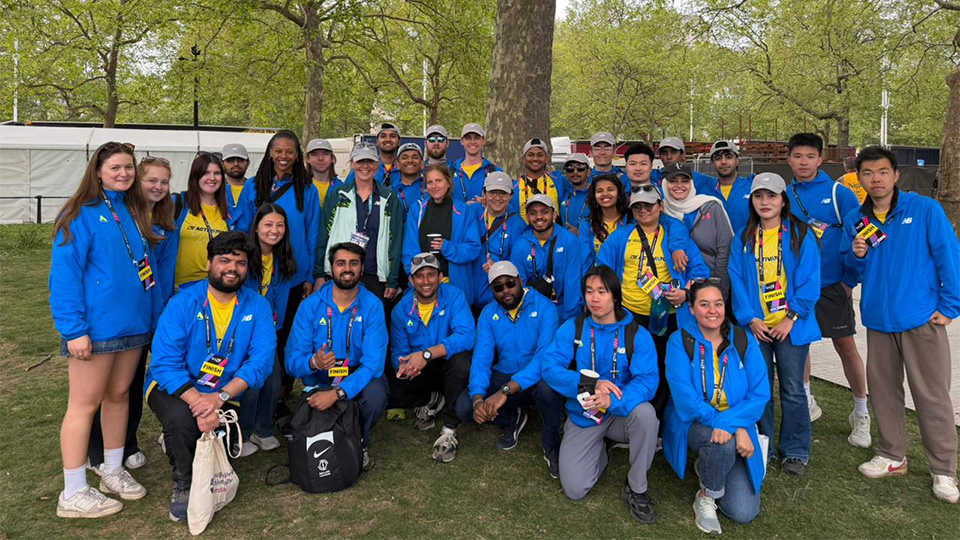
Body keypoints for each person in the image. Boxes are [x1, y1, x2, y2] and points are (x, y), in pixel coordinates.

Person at [841, 146, 959, 504]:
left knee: (931, 394)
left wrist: (950, 304)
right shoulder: (856, 219)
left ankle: (943, 470)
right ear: (858, 178)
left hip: (921, 318)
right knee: (883, 390)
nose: (875, 179)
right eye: (867, 173)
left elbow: (948, 254)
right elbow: (854, 272)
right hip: (878, 321)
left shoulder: (924, 209)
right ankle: (892, 455)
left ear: (895, 175)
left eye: (881, 172)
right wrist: (856, 255)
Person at [51, 141, 161, 519]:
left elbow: (144, 267)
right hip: (96, 331)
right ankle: (73, 490)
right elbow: (65, 277)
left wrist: (151, 315)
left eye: (128, 167)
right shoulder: (78, 213)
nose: (124, 173)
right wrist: (73, 329)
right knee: (83, 405)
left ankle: (112, 468)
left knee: (118, 396)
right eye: (115, 167)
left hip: (133, 325)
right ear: (97, 171)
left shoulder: (131, 211)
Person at [145, 231, 275, 521]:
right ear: (209, 263)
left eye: (240, 263)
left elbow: (261, 362)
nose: (232, 268)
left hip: (223, 390)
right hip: (172, 385)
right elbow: (165, 363)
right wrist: (199, 403)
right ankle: (184, 484)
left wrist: (219, 397)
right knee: (182, 421)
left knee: (212, 436)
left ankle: (180, 439)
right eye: (224, 261)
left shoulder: (258, 306)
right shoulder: (183, 302)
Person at [540, 266, 660, 524]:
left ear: (615, 296)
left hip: (621, 414)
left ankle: (637, 487)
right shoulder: (574, 327)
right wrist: (588, 383)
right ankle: (601, 449)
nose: (594, 299)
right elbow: (549, 367)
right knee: (574, 489)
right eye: (589, 291)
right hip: (585, 414)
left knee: (647, 415)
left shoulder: (637, 334)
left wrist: (613, 399)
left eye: (602, 292)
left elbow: (648, 381)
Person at [86, 155, 176, 475]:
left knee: (132, 382)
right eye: (151, 180)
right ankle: (97, 450)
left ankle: (127, 441)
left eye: (164, 182)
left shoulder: (167, 215)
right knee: (107, 385)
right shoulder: (123, 213)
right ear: (138, 180)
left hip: (154, 307)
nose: (158, 186)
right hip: (118, 312)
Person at [728, 172, 821, 476]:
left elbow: (809, 280)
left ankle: (795, 450)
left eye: (771, 196)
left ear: (784, 200)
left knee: (793, 389)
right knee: (759, 388)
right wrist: (749, 319)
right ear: (751, 200)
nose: (765, 202)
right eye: (759, 196)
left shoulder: (799, 234)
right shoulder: (743, 237)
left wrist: (791, 317)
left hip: (791, 326)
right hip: (757, 328)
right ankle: (762, 445)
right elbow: (737, 280)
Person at [663, 279, 770, 533]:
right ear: (691, 309)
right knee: (722, 442)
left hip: (735, 423)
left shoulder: (743, 340)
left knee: (743, 512)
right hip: (693, 422)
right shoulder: (680, 342)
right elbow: (686, 402)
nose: (713, 311)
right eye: (704, 304)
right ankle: (706, 496)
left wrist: (731, 424)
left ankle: (711, 463)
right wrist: (733, 428)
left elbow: (760, 394)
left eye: (718, 304)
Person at [597, 187, 710, 421]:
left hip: (667, 316)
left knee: (662, 367)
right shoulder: (621, 236)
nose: (643, 210)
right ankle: (626, 415)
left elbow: (700, 272)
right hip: (630, 316)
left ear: (660, 206)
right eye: (637, 206)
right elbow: (602, 270)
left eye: (649, 205)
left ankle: (657, 420)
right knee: (630, 366)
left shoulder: (675, 236)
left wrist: (686, 293)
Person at [784, 133, 867, 445]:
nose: (804, 162)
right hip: (796, 289)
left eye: (810, 156)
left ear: (820, 159)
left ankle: (861, 412)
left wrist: (850, 280)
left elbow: (863, 234)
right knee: (800, 346)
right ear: (789, 159)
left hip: (833, 285)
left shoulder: (839, 193)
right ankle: (806, 401)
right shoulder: (784, 193)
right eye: (798, 156)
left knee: (845, 347)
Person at [285, 242, 389, 470]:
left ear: (362, 269)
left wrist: (339, 392)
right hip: (321, 377)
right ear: (331, 269)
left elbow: (373, 364)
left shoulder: (373, 305)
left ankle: (359, 442)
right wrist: (313, 362)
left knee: (375, 394)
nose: (347, 269)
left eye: (354, 263)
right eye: (341, 263)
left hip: (358, 375)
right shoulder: (310, 306)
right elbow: (292, 361)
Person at [455, 261, 565, 477]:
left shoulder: (545, 308)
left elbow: (544, 358)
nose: (505, 291)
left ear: (520, 281)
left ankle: (551, 445)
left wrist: (504, 391)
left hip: (536, 378)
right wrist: (478, 398)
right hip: (505, 375)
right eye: (498, 287)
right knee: (464, 407)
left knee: (548, 389)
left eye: (510, 284)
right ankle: (511, 418)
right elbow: (482, 359)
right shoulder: (488, 313)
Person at [389, 254, 475, 463]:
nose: (426, 281)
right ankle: (431, 400)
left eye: (431, 275)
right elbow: (398, 352)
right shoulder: (400, 309)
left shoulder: (454, 296)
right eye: (419, 276)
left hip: (447, 363)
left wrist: (426, 355)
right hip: (422, 369)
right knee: (390, 390)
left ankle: (449, 429)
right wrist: (405, 367)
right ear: (411, 281)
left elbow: (467, 336)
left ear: (440, 277)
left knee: (462, 362)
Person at [237, 203, 296, 457]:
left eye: (280, 225)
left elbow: (281, 298)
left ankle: (263, 428)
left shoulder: (282, 258)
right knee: (251, 379)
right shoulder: (245, 257)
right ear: (257, 226)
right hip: (242, 329)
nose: (274, 230)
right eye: (268, 224)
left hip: (268, 330)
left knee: (273, 376)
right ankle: (243, 430)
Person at [315, 143, 404, 312]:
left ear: (377, 164)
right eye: (360, 161)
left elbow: (396, 240)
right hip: (342, 272)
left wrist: (392, 279)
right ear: (352, 163)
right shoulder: (337, 195)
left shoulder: (389, 197)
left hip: (375, 274)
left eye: (370, 161)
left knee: (373, 325)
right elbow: (323, 236)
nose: (365, 166)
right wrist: (320, 274)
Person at [403, 162, 481, 306]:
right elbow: (409, 250)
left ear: (448, 182)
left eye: (438, 180)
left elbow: (473, 248)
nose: (434, 186)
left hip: (455, 285)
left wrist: (447, 247)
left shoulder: (464, 211)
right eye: (430, 182)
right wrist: (415, 278)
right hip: (424, 287)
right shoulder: (417, 210)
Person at [661, 162, 734, 298]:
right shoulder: (660, 210)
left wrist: (720, 289)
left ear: (692, 184)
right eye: (673, 181)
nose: (679, 185)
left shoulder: (710, 206)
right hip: (675, 285)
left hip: (710, 280)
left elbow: (725, 250)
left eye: (685, 181)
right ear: (665, 184)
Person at [510, 194, 583, 323]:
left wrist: (569, 320)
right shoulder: (520, 245)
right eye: (533, 213)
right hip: (533, 311)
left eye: (545, 212)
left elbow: (572, 282)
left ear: (554, 215)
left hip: (562, 309)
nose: (539, 217)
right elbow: (520, 286)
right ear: (527, 217)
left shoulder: (569, 240)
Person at [173, 152, 232, 290]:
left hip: (215, 288)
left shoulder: (230, 211)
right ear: (196, 175)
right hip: (180, 289)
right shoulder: (179, 203)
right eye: (206, 173)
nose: (212, 178)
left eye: (217, 173)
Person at [469, 172, 527, 310]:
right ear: (484, 193)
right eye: (492, 193)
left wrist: (500, 267)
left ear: (511, 196)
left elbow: (520, 264)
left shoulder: (518, 225)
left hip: (496, 300)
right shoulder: (470, 212)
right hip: (468, 296)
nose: (497, 198)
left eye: (503, 193)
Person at [579, 173, 630, 273]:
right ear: (594, 196)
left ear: (619, 193)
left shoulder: (631, 220)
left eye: (610, 189)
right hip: (600, 280)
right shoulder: (587, 223)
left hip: (627, 282)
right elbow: (585, 260)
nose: (605, 194)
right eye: (599, 191)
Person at [701, 140, 754, 234]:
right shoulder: (704, 191)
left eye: (729, 157)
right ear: (712, 163)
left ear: (737, 161)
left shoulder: (752, 186)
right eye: (718, 158)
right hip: (716, 248)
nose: (723, 162)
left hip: (748, 246)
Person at [511, 138, 567, 224]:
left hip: (554, 235)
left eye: (540, 155)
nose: (535, 159)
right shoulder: (513, 187)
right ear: (523, 159)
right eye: (530, 155)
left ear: (546, 158)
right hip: (524, 236)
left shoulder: (559, 181)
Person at [451, 123, 502, 204]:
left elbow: (504, 204)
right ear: (461, 141)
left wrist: (489, 201)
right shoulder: (450, 172)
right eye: (468, 138)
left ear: (483, 141)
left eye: (477, 138)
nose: (472, 142)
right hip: (457, 216)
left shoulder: (495, 172)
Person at [305, 138, 343, 208]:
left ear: (332, 158)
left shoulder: (341, 188)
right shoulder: (301, 187)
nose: (320, 158)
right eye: (314, 154)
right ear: (308, 159)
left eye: (325, 154)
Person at [559, 153, 592, 235]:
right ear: (566, 173)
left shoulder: (596, 194)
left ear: (588, 172)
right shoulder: (563, 191)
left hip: (589, 245)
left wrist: (580, 233)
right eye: (570, 169)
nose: (575, 172)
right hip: (567, 244)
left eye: (580, 168)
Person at [394, 142, 426, 218]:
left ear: (422, 164)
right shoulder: (390, 191)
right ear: (397, 165)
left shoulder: (431, 188)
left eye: (415, 157)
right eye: (405, 157)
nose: (410, 161)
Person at [221, 143, 251, 222]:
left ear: (248, 163)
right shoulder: (215, 188)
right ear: (222, 164)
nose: (236, 164)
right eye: (230, 160)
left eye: (240, 160)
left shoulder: (255, 189)